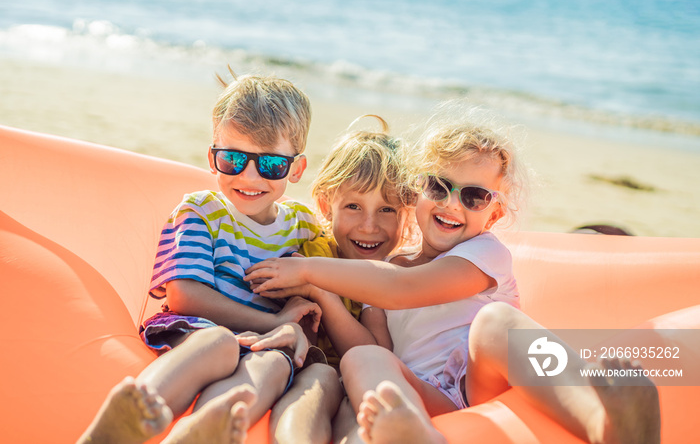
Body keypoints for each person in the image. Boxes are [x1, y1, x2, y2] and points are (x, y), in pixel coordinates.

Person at [245, 102, 660, 444]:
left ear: (495, 212)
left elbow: (403, 290)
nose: (452, 205)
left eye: (474, 196)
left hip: (486, 384)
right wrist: (324, 293)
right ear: (416, 190)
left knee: (495, 323)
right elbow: (377, 347)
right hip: (429, 395)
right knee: (363, 357)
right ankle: (416, 434)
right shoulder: (389, 268)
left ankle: (601, 421)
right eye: (438, 187)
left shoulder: (482, 254)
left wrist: (309, 268)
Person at [79, 71, 332, 444]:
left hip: (265, 344)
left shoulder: (305, 226)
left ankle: (204, 429)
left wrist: (296, 311)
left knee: (276, 363)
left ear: (296, 169)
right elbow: (184, 295)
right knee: (219, 344)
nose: (249, 177)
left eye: (270, 165)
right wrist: (274, 321)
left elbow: (321, 297)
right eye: (233, 159)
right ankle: (136, 411)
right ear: (212, 159)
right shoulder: (201, 211)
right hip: (199, 330)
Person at [269, 115, 417, 443]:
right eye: (353, 206)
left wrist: (323, 294)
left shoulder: (390, 276)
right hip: (311, 375)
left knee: (359, 410)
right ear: (326, 204)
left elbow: (375, 353)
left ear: (406, 212)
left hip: (357, 386)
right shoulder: (311, 254)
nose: (369, 226)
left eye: (387, 210)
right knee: (318, 385)